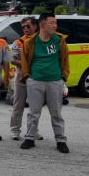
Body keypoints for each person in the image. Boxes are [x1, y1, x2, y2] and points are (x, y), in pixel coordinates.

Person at [20, 13, 70, 153]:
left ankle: (60, 140)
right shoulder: (30, 42)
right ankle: (30, 138)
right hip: (35, 81)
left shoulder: (59, 40)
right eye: (51, 23)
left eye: (55, 23)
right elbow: (24, 61)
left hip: (55, 81)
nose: (55, 25)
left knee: (56, 113)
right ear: (42, 25)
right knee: (33, 112)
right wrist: (27, 77)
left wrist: (63, 78)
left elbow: (66, 60)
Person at [10, 16, 43, 140]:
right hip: (21, 78)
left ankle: (33, 131)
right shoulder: (18, 43)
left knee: (35, 107)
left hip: (37, 78)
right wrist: (28, 64)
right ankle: (15, 130)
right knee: (18, 106)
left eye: (28, 26)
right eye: (23, 27)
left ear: (35, 26)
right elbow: (13, 60)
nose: (25, 28)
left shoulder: (41, 41)